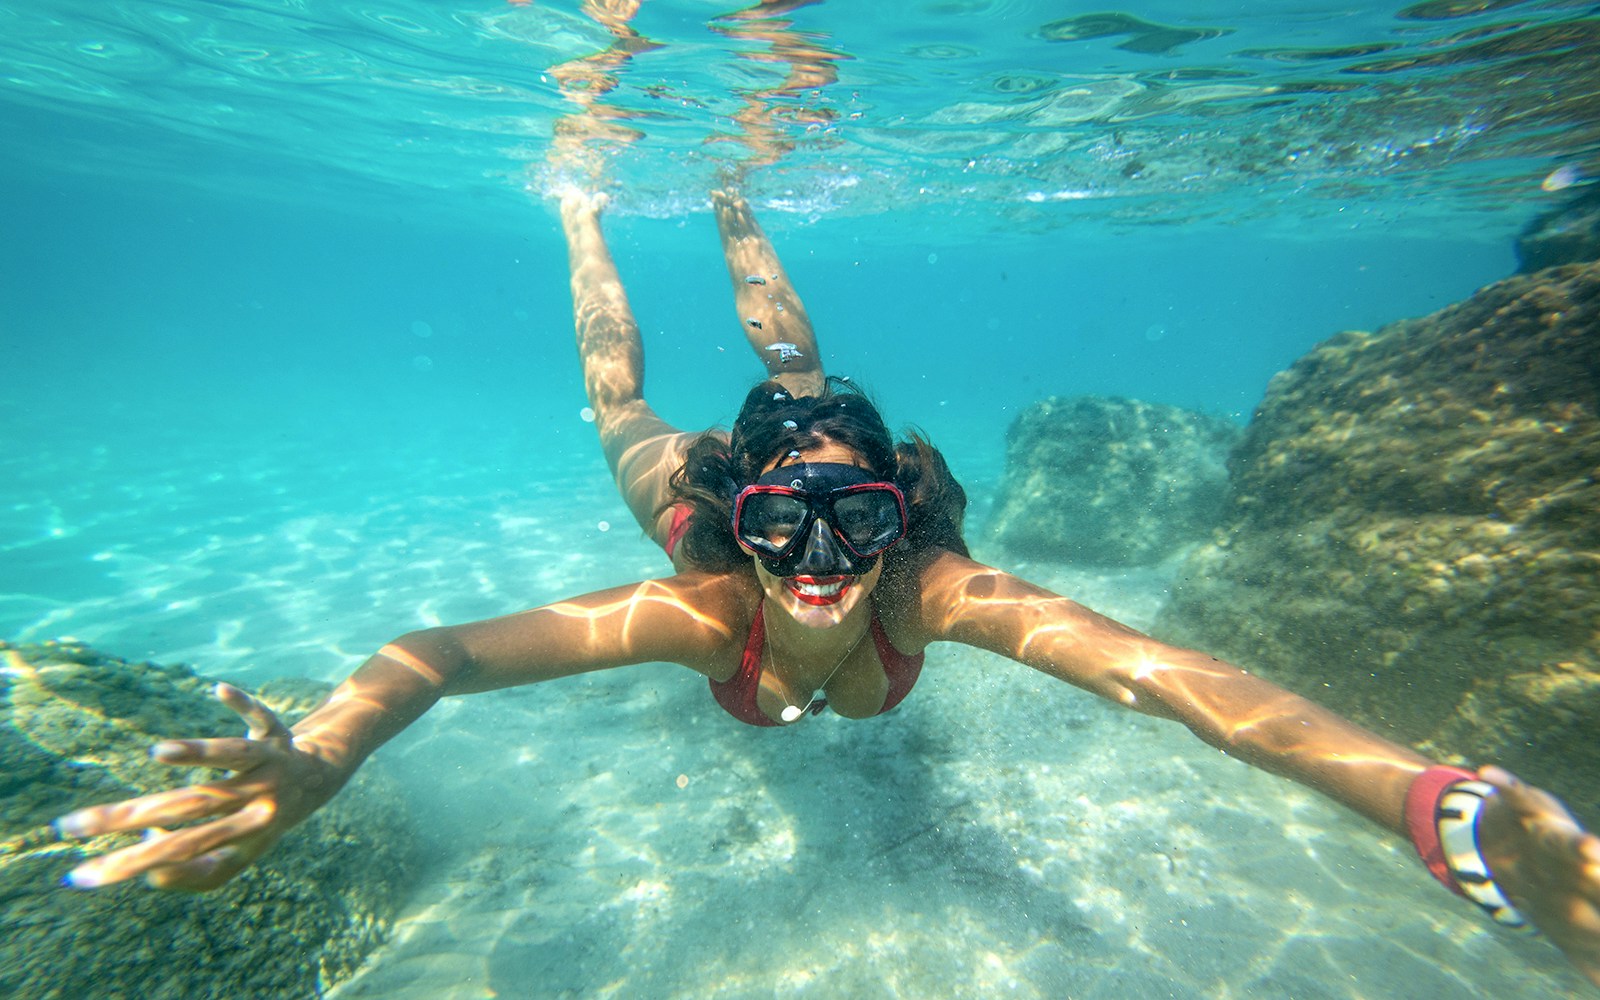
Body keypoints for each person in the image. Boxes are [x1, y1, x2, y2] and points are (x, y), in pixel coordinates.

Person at [51, 187, 1600, 987]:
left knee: (800, 356)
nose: (819, 566)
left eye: (857, 521)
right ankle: (589, 221)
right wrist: (321, 754)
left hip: (801, 446)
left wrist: (1437, 805)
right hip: (686, 490)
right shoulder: (709, 592)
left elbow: (1168, 682)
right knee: (620, 406)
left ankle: (739, 208)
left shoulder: (931, 589)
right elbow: (435, 655)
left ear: (899, 518)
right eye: (788, 525)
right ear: (753, 517)